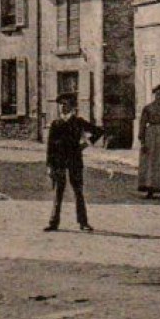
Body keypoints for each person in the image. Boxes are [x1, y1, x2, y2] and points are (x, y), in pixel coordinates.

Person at [44, 92, 104, 232]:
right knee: (58, 191)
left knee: (78, 192)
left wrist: (85, 145)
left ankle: (83, 223)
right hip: (58, 161)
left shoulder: (78, 122)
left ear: (71, 106)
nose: (61, 107)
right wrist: (49, 165)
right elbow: (50, 147)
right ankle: (54, 222)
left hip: (74, 160)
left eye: (64, 104)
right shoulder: (55, 124)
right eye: (60, 104)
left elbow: (98, 132)